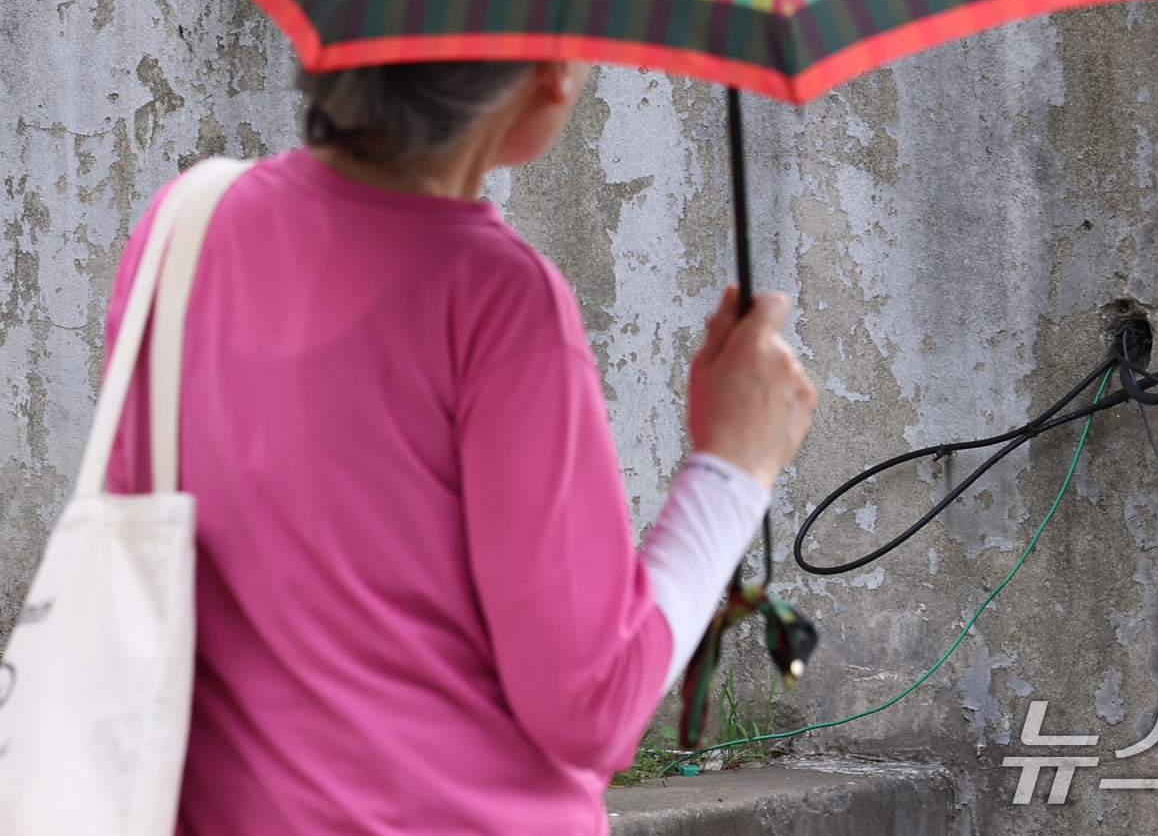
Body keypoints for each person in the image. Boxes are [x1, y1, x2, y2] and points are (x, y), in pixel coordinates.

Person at [105, 58, 817, 836]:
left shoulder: (184, 225)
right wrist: (733, 466)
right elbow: (593, 704)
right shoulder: (499, 300)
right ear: (553, 69)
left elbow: (142, 556)